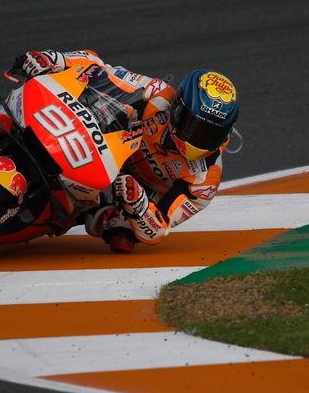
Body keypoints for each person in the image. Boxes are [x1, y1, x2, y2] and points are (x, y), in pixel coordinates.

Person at [14, 49, 239, 252]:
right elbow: (98, 68)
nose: (200, 139)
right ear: (178, 107)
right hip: (103, 145)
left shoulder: (206, 179)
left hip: (126, 193)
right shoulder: (156, 94)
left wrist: (140, 207)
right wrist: (56, 59)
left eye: (211, 134)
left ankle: (91, 216)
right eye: (195, 127)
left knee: (123, 236)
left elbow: (160, 228)